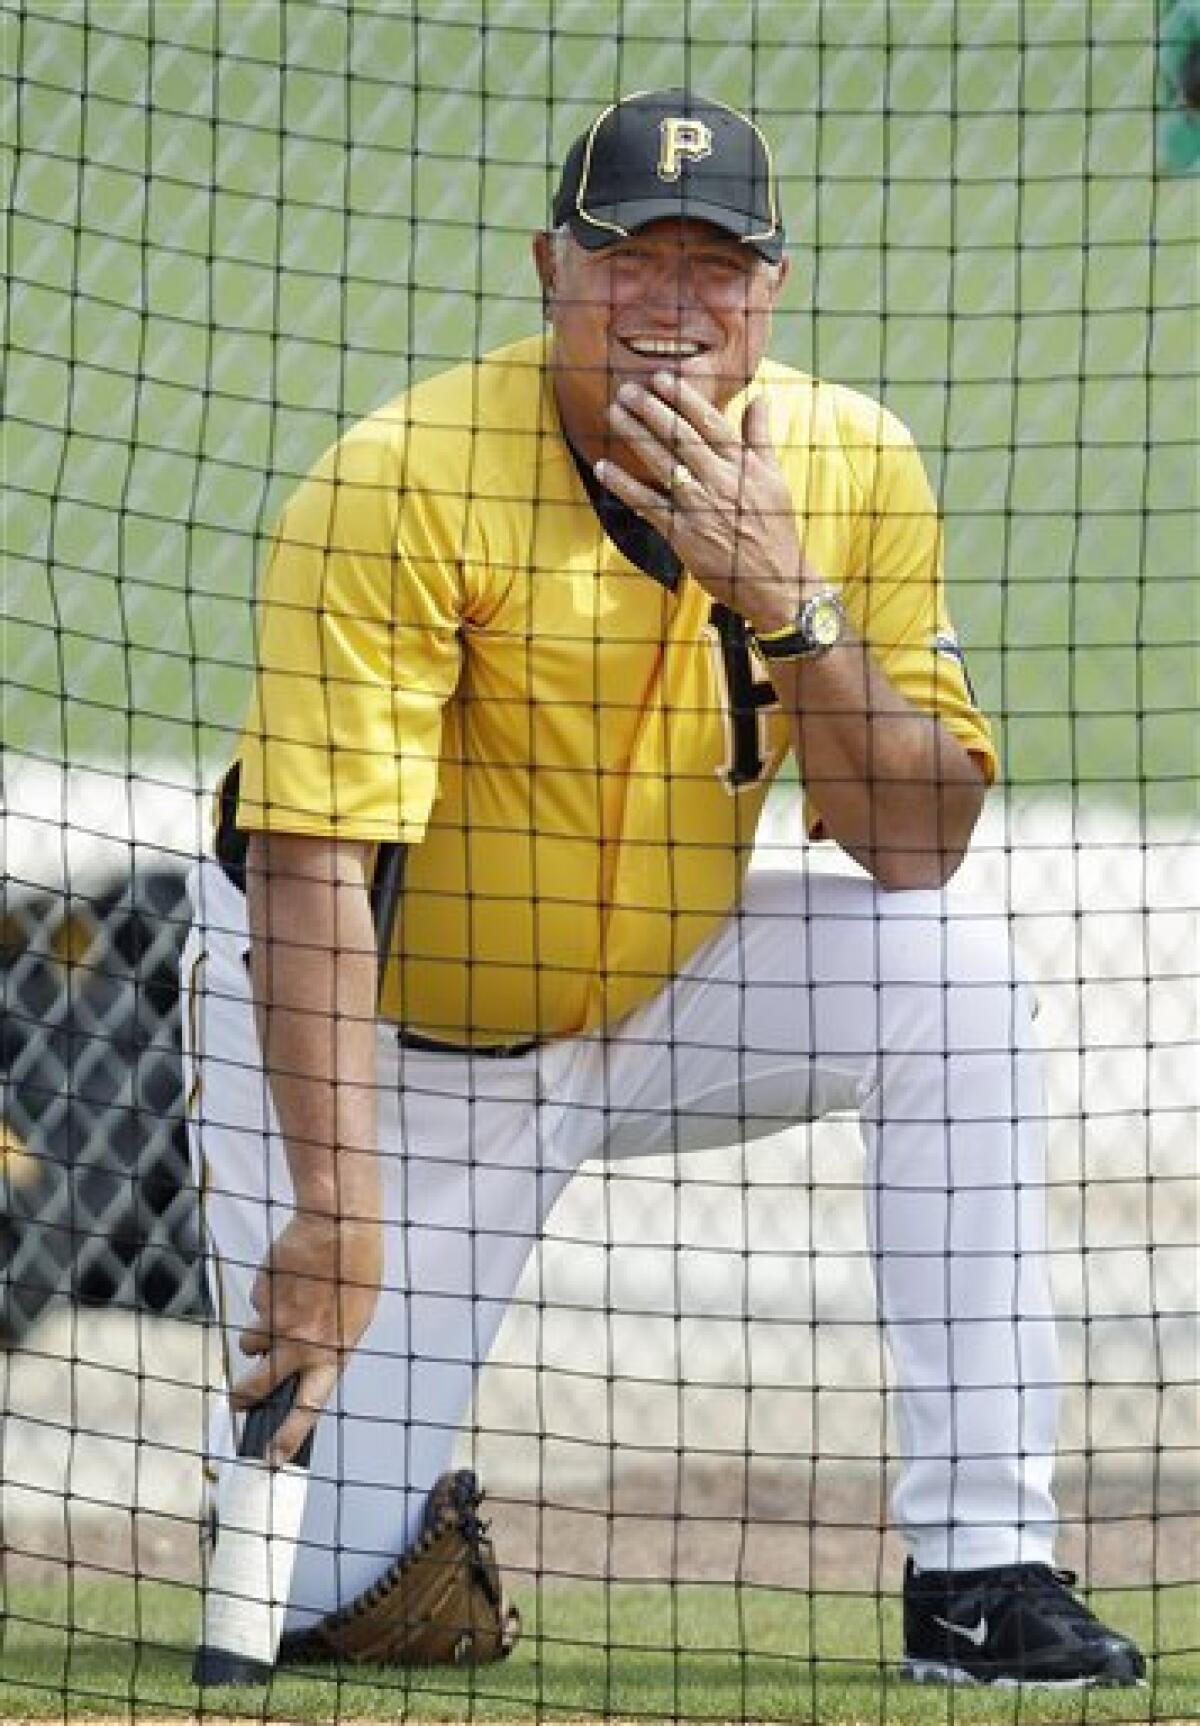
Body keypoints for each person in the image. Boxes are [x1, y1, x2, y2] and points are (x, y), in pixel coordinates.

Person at [181, 89, 1145, 1688]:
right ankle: (352, 1495)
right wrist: (334, 1208)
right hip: (379, 1041)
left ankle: (985, 1569)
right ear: (553, 267)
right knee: (331, 1605)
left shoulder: (854, 465)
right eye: (633, 256)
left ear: (770, 290)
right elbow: (307, 866)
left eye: (718, 264)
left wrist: (791, 601)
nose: (672, 302)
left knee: (950, 975)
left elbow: (915, 839)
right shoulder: (402, 477)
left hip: (666, 991)